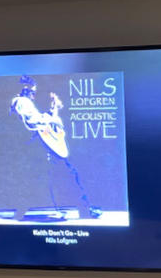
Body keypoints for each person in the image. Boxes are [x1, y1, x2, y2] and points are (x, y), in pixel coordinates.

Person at [8, 76, 101, 220]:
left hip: (41, 144)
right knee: (65, 174)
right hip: (38, 145)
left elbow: (42, 123)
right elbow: (34, 121)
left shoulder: (25, 102)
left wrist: (53, 111)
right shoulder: (22, 101)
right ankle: (85, 210)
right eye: (32, 90)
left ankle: (20, 213)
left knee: (49, 176)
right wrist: (53, 118)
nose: (34, 94)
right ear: (25, 89)